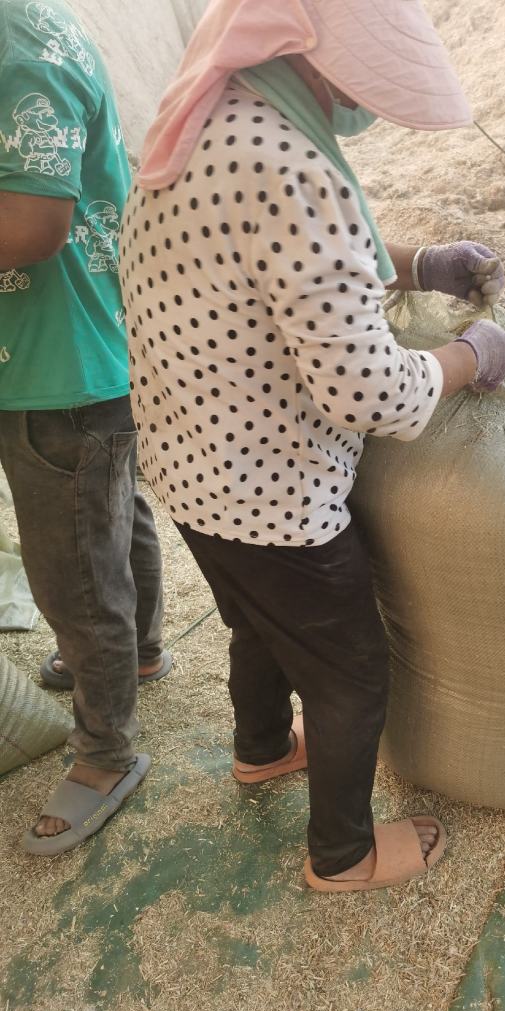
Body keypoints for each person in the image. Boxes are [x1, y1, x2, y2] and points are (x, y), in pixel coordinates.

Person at [120, 0, 505, 893]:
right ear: (304, 48)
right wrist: (467, 356)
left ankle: (260, 747)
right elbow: (368, 390)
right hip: (272, 489)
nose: (364, 97)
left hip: (188, 471)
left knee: (255, 623)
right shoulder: (289, 164)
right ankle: (344, 853)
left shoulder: (206, 116)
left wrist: (415, 265)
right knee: (350, 670)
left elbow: (287, 270)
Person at [0, 0, 170, 856]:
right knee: (107, 512)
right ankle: (136, 651)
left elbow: (34, 225)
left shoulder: (17, 51)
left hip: (54, 365)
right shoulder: (41, 20)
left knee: (72, 569)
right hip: (84, 343)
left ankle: (106, 752)